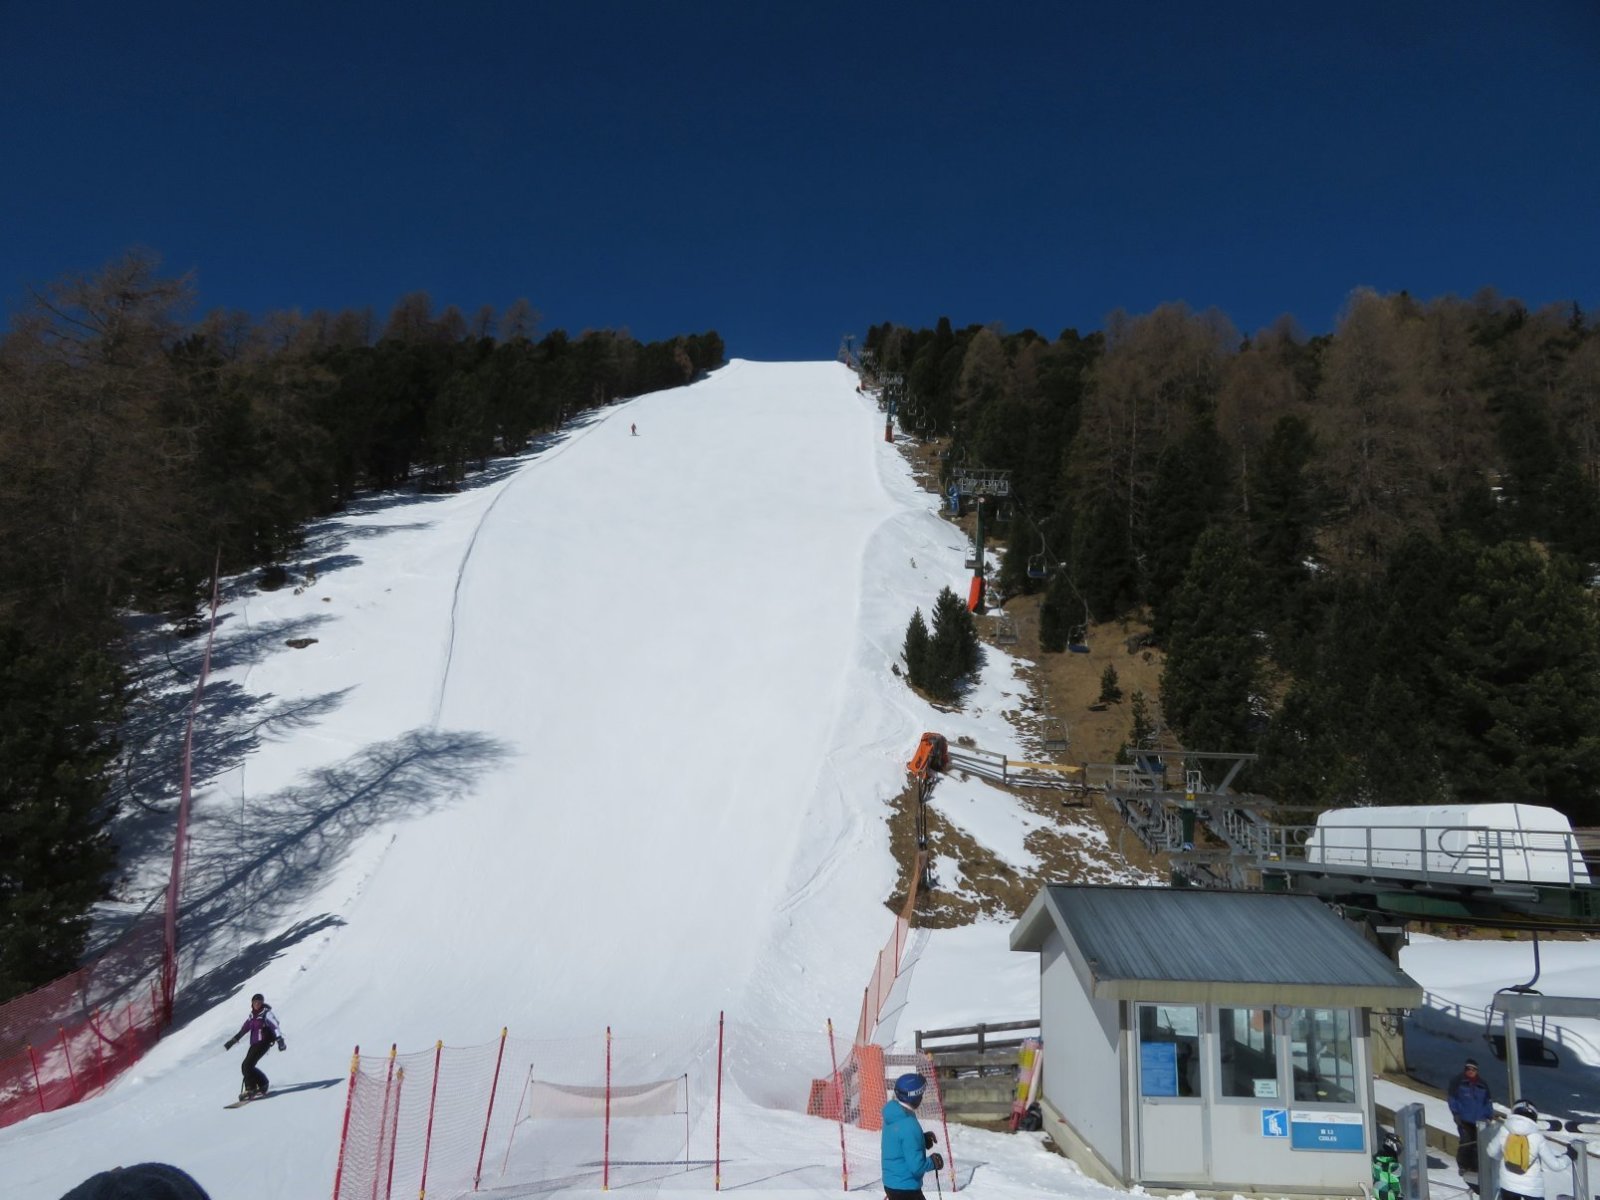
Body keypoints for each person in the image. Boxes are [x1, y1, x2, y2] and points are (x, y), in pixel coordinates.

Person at [1486, 1100, 1568, 1200]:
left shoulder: (1505, 1130)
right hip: (1532, 1190)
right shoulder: (1537, 1137)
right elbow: (1556, 1165)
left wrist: (1504, 1156)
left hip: (1507, 1185)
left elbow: (1492, 1151)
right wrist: (1570, 1156)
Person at [881, 1072, 943, 1200]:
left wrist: (921, 1139)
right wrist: (933, 1162)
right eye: (921, 1094)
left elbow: (898, 1142)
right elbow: (917, 1167)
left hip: (891, 1184)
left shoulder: (895, 1114)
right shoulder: (910, 1125)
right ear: (916, 1097)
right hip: (906, 1189)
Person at [223, 992, 284, 1101]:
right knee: (245, 1066)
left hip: (263, 1043)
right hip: (254, 1044)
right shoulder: (252, 1015)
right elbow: (244, 1029)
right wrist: (233, 1041)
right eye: (255, 1002)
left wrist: (280, 1040)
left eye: (259, 1002)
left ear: (262, 1002)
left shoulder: (266, 1013)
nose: (257, 1004)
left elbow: (275, 1026)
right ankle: (263, 1084)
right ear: (252, 1003)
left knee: (247, 1065)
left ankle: (250, 1089)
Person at [1447, 1057, 1494, 1174]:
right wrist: (1456, 1113)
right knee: (1466, 1142)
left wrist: (1489, 1115)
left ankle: (1475, 1167)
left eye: (1473, 1069)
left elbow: (1488, 1101)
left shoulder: (1482, 1084)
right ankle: (1463, 1165)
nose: (1471, 1071)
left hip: (1480, 1120)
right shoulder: (1458, 1082)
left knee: (1478, 1144)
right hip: (1464, 1119)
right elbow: (1452, 1099)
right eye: (1468, 1069)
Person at [1372, 1131, 1403, 1200]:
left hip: (1376, 1194)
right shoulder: (1395, 1165)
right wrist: (1399, 1196)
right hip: (1389, 1196)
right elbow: (1394, 1182)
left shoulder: (1375, 1159)